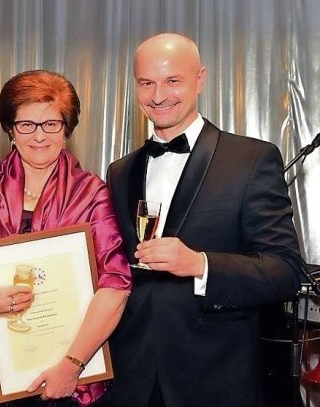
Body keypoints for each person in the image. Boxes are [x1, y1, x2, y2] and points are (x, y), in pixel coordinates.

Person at [106, 33, 303, 407]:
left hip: (216, 377)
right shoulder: (120, 171)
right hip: (133, 378)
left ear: (200, 79)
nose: (158, 96)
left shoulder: (250, 160)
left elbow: (285, 270)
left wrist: (200, 264)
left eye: (172, 80)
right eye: (146, 83)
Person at [0, 70, 131, 407]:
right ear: (10, 129)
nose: (39, 135)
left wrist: (71, 365)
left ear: (66, 129)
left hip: (70, 373)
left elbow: (116, 285)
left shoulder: (92, 193)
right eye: (26, 124)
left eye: (51, 123)